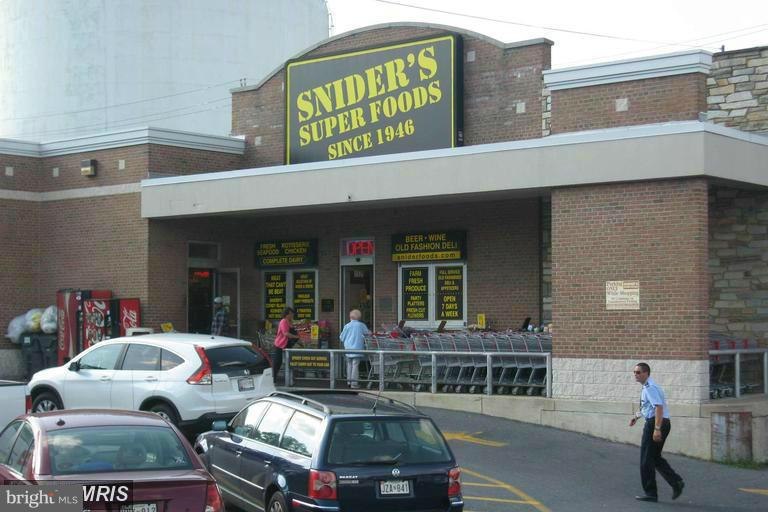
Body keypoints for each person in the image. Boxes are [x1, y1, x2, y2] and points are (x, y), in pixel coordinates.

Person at [630, 362, 685, 502]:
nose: (635, 375)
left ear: (646, 373)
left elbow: (658, 408)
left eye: (638, 372)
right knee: (654, 457)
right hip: (660, 422)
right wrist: (636, 417)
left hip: (656, 423)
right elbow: (647, 406)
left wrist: (657, 429)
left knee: (646, 459)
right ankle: (676, 482)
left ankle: (651, 493)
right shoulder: (647, 387)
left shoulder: (650, 388)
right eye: (634, 372)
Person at [339, 309, 370, 389]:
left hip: (348, 349)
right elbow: (368, 334)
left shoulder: (347, 326)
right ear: (359, 317)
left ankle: (349, 382)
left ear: (350, 317)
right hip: (357, 348)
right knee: (355, 365)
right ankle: (354, 383)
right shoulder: (361, 325)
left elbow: (341, 338)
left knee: (349, 365)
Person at [272, 307, 299, 385]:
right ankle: (273, 379)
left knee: (290, 361)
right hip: (280, 344)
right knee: (278, 362)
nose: (292, 315)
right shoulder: (283, 321)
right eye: (291, 314)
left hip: (288, 344)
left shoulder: (290, 322)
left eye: (292, 313)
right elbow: (286, 333)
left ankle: (290, 379)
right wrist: (296, 337)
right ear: (287, 314)